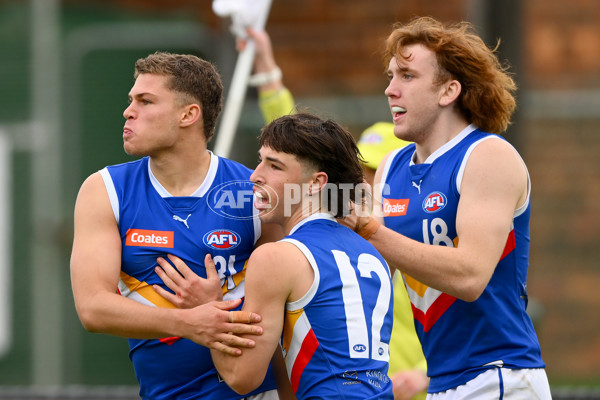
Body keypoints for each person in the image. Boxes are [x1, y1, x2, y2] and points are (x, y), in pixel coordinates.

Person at [346, 16, 551, 398]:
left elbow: (470, 277)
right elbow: (371, 271)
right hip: (440, 381)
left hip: (498, 376)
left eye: (407, 76)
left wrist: (369, 229)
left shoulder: (487, 155)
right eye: (390, 76)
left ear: (448, 91)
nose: (390, 90)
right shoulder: (392, 166)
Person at [70, 51, 281, 399]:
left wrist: (215, 304)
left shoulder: (254, 194)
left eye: (146, 100)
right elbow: (93, 307)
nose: (128, 111)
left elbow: (286, 305)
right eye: (130, 100)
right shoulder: (105, 190)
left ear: (188, 114)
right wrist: (191, 321)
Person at [241, 28, 429, 400]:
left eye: (376, 175)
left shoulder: (409, 240)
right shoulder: (344, 231)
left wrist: (425, 376)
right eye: (363, 172)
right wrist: (266, 72)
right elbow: (299, 159)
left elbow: (455, 316)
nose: (364, 182)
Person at [206, 112, 395, 399]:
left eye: (274, 166)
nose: (255, 175)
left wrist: (210, 309)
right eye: (260, 161)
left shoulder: (276, 257)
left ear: (317, 182)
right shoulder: (373, 252)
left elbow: (242, 377)